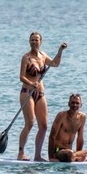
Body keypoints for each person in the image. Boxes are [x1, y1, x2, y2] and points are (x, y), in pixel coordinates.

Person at [17, 32, 67, 161]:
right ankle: (21, 153)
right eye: (32, 40)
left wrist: (60, 51)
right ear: (29, 42)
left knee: (44, 126)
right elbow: (21, 77)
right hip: (27, 93)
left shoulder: (43, 55)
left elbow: (55, 64)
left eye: (36, 40)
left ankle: (37, 156)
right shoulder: (26, 58)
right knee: (30, 123)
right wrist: (31, 83)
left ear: (40, 42)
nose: (34, 42)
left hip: (40, 94)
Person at [49, 93, 87, 162]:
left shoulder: (82, 117)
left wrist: (79, 153)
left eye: (77, 103)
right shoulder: (61, 116)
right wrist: (51, 157)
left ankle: (84, 159)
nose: (75, 105)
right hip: (58, 151)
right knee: (69, 153)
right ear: (69, 104)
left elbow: (80, 139)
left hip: (72, 152)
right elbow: (52, 137)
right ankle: (75, 158)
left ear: (80, 105)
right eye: (73, 103)